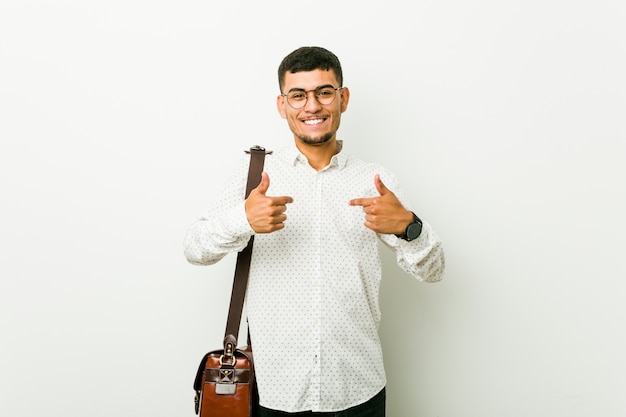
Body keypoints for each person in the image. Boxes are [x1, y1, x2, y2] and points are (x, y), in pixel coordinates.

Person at [184, 46, 445, 417]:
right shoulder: (253, 175)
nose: (312, 106)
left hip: (357, 389)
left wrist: (409, 227)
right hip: (274, 391)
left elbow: (434, 271)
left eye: (324, 92)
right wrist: (243, 219)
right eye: (298, 95)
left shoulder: (376, 180)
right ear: (282, 105)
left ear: (343, 98)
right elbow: (194, 248)